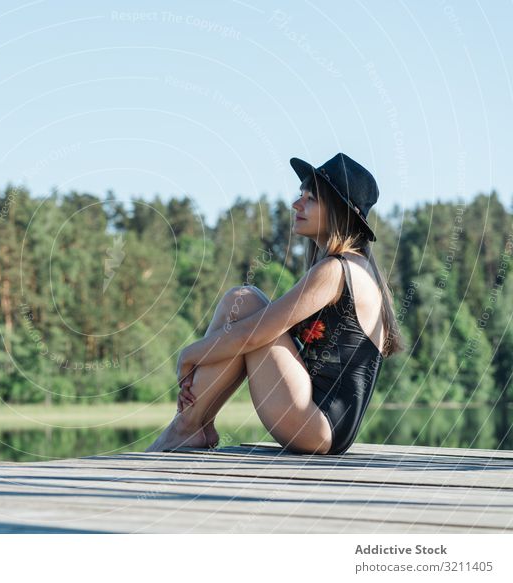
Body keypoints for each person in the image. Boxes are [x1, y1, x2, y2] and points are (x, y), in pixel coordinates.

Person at [145, 153, 404, 455]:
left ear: (339, 211)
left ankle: (186, 428)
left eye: (311, 199)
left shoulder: (336, 270)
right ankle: (192, 426)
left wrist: (188, 356)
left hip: (317, 424)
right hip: (324, 424)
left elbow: (252, 336)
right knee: (242, 301)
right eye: (300, 196)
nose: (297, 204)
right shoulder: (353, 266)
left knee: (244, 302)